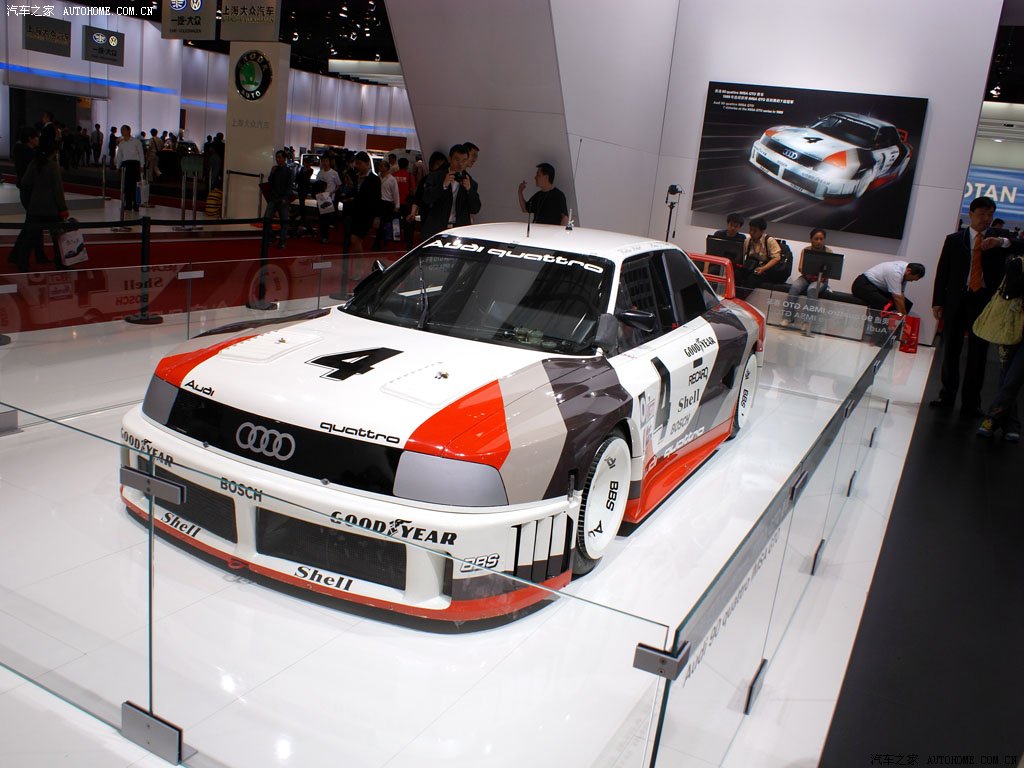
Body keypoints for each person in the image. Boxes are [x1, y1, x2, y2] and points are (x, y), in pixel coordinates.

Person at [929, 196, 1024, 416]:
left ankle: (971, 403)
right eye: (982, 214)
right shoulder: (955, 239)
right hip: (956, 300)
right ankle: (946, 395)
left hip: (983, 302)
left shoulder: (999, 237)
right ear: (971, 214)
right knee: (950, 350)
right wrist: (937, 301)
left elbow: (1021, 245)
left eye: (990, 214)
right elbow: (943, 271)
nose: (986, 219)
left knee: (978, 354)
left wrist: (1001, 242)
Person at [977, 255, 1024, 442]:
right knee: (1008, 378)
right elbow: (1008, 292)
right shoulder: (1018, 263)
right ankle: (1011, 424)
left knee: (1013, 379)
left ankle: (991, 419)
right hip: (1011, 326)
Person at [16, 139, 68, 270]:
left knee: (30, 236)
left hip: (35, 206)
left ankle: (22, 263)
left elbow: (25, 182)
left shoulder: (34, 163)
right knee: (57, 237)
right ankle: (60, 262)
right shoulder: (53, 166)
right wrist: (63, 208)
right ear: (54, 152)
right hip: (51, 208)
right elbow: (58, 190)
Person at [419, 144, 481, 241]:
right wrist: (443, 185)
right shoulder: (435, 176)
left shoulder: (470, 182)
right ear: (450, 159)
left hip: (460, 231)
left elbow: (475, 209)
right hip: (436, 230)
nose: (460, 164)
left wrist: (469, 190)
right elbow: (426, 198)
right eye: (457, 159)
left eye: (464, 160)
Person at [782, 228, 833, 328]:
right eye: (816, 239)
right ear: (811, 239)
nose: (819, 241)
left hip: (821, 280)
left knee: (812, 289)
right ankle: (788, 317)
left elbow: (830, 272)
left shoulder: (829, 252)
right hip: (806, 277)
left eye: (821, 239)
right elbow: (800, 268)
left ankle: (807, 321)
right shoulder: (806, 250)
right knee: (794, 287)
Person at [851, 260, 926, 316]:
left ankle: (898, 329)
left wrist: (903, 315)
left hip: (876, 287)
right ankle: (879, 331)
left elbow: (901, 294)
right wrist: (903, 316)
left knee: (907, 304)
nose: (911, 281)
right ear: (909, 271)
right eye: (912, 279)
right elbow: (897, 298)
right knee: (883, 303)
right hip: (862, 285)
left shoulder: (906, 270)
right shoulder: (895, 272)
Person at [346, 151, 381, 254]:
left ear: (367, 163)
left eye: (359, 163)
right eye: (356, 163)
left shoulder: (374, 179)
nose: (357, 166)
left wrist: (377, 216)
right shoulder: (356, 177)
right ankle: (359, 262)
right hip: (355, 213)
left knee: (355, 239)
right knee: (354, 240)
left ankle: (360, 262)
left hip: (367, 214)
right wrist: (352, 187)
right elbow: (357, 194)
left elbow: (377, 198)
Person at [737, 217, 781, 292]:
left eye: (754, 231)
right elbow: (743, 257)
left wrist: (763, 268)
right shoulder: (748, 241)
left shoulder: (769, 240)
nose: (751, 232)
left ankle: (741, 297)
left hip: (765, 269)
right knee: (736, 274)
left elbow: (776, 258)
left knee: (752, 279)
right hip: (751, 267)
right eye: (750, 230)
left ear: (762, 231)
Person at [262, 150, 294, 249]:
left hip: (283, 199)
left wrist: (285, 198)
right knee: (266, 219)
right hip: (273, 198)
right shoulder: (275, 169)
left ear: (284, 158)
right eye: (277, 157)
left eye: (279, 157)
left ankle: (282, 241)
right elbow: (270, 181)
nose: (277, 159)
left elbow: (289, 186)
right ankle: (272, 238)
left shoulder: (289, 171)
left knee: (284, 221)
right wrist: (272, 172)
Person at [115, 125, 144, 213]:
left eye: (123, 130)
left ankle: (136, 205)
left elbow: (141, 153)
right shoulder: (121, 143)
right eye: (121, 130)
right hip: (125, 164)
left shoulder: (136, 141)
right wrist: (117, 166)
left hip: (134, 164)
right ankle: (128, 205)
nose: (122, 131)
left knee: (136, 186)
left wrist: (142, 165)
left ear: (129, 131)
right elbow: (119, 156)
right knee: (126, 186)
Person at [373, 159, 400, 251]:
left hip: (387, 204)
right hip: (378, 203)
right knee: (378, 223)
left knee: (383, 224)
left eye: (382, 166)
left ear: (387, 168)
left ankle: (378, 243)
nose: (380, 167)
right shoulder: (378, 178)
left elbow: (395, 193)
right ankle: (381, 240)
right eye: (379, 166)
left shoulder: (392, 179)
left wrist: (397, 206)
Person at [317, 154, 341, 244]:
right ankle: (322, 236)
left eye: (326, 161)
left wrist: (331, 192)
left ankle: (325, 237)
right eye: (323, 161)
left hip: (329, 198)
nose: (324, 163)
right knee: (321, 218)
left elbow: (339, 185)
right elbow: (317, 184)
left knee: (326, 219)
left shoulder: (334, 173)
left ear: (329, 162)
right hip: (321, 197)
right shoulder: (320, 172)